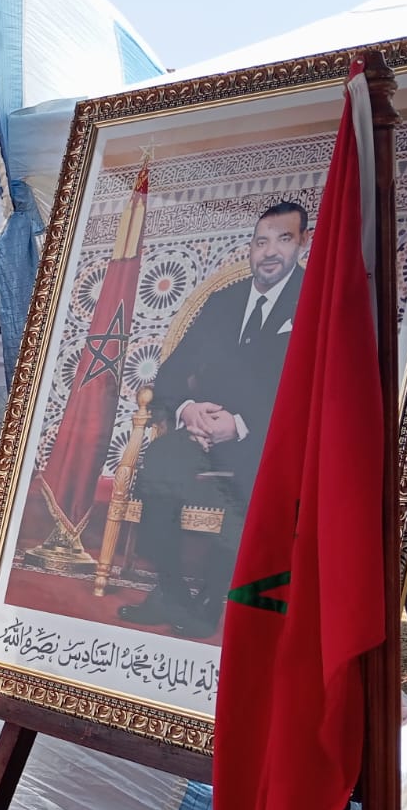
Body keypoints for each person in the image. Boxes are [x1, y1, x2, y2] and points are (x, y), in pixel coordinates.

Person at [121, 201, 309, 638]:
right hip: (201, 434)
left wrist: (239, 424)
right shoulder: (223, 301)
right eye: (260, 241)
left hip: (265, 440)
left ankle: (210, 597)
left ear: (303, 242)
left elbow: (311, 391)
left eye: (282, 239)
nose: (269, 252)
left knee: (254, 476)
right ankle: (170, 590)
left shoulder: (314, 302)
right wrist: (189, 411)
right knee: (161, 458)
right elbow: (171, 373)